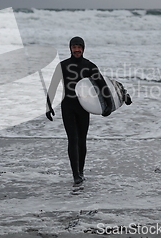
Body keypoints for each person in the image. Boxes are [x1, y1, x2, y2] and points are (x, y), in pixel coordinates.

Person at [45, 37, 113, 186]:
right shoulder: (62, 66)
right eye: (74, 47)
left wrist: (109, 105)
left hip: (84, 107)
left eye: (79, 47)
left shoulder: (89, 66)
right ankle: (75, 174)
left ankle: (80, 171)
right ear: (70, 48)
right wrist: (48, 105)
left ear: (83, 48)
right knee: (73, 140)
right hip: (67, 106)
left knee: (82, 140)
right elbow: (53, 85)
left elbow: (102, 86)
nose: (76, 50)